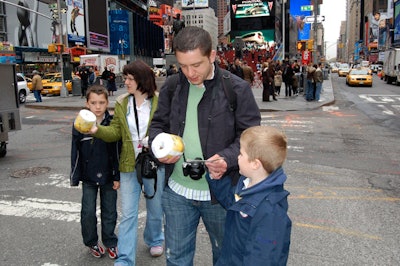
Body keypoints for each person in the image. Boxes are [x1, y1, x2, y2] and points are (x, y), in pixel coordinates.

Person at [148, 26, 261, 266]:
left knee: (226, 257)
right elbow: (156, 127)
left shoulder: (237, 89)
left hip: (222, 194)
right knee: (177, 258)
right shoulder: (171, 86)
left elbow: (250, 136)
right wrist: (160, 150)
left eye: (196, 65)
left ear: (212, 56)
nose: (190, 73)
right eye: (183, 66)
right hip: (176, 192)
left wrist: (227, 159)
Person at [89, 60, 163, 265]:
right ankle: (125, 258)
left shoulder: (159, 101)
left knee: (155, 208)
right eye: (126, 78)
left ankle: (155, 238)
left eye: (130, 78)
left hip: (154, 163)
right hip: (129, 164)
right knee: (129, 213)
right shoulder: (122, 102)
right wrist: (98, 130)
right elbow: (116, 132)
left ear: (142, 80)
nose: (126, 82)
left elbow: (168, 127)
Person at [206, 125, 292, 266]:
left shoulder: (269, 211)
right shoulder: (247, 185)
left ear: (254, 164)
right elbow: (231, 201)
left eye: (241, 154)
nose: (237, 157)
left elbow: (263, 258)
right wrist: (216, 179)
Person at [70, 85, 120, 259]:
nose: (98, 107)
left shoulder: (112, 122)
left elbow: (116, 152)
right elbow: (75, 152)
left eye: (101, 102)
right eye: (93, 103)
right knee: (88, 212)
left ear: (107, 103)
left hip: (108, 175)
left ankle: (111, 242)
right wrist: (75, 176)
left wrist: (117, 176)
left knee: (110, 211)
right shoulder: (79, 124)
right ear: (87, 104)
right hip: (88, 177)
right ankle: (91, 241)